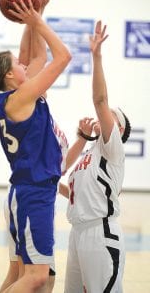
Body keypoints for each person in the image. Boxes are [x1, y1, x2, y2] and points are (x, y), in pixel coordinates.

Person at [0, 0, 71, 292]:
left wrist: (37, 12)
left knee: (24, 277)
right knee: (36, 277)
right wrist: (37, 21)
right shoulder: (20, 98)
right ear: (10, 75)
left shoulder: (15, 96)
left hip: (29, 190)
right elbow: (62, 57)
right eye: (18, 63)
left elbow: (37, 57)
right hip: (33, 192)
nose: (25, 63)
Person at [59, 21, 131, 293]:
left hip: (101, 233)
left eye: (111, 115)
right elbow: (75, 193)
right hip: (77, 232)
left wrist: (96, 56)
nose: (103, 113)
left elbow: (100, 100)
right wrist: (48, 182)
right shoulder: (90, 153)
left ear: (118, 128)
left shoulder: (112, 148)